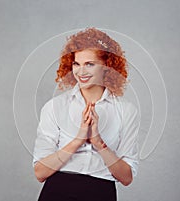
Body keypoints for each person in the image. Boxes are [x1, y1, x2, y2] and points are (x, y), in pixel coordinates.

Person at [32, 27, 140, 201]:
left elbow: (126, 177)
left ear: (107, 66)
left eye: (89, 64)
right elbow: (40, 172)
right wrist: (78, 140)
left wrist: (98, 142)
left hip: (101, 193)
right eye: (76, 63)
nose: (81, 72)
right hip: (57, 191)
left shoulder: (126, 111)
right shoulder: (54, 107)